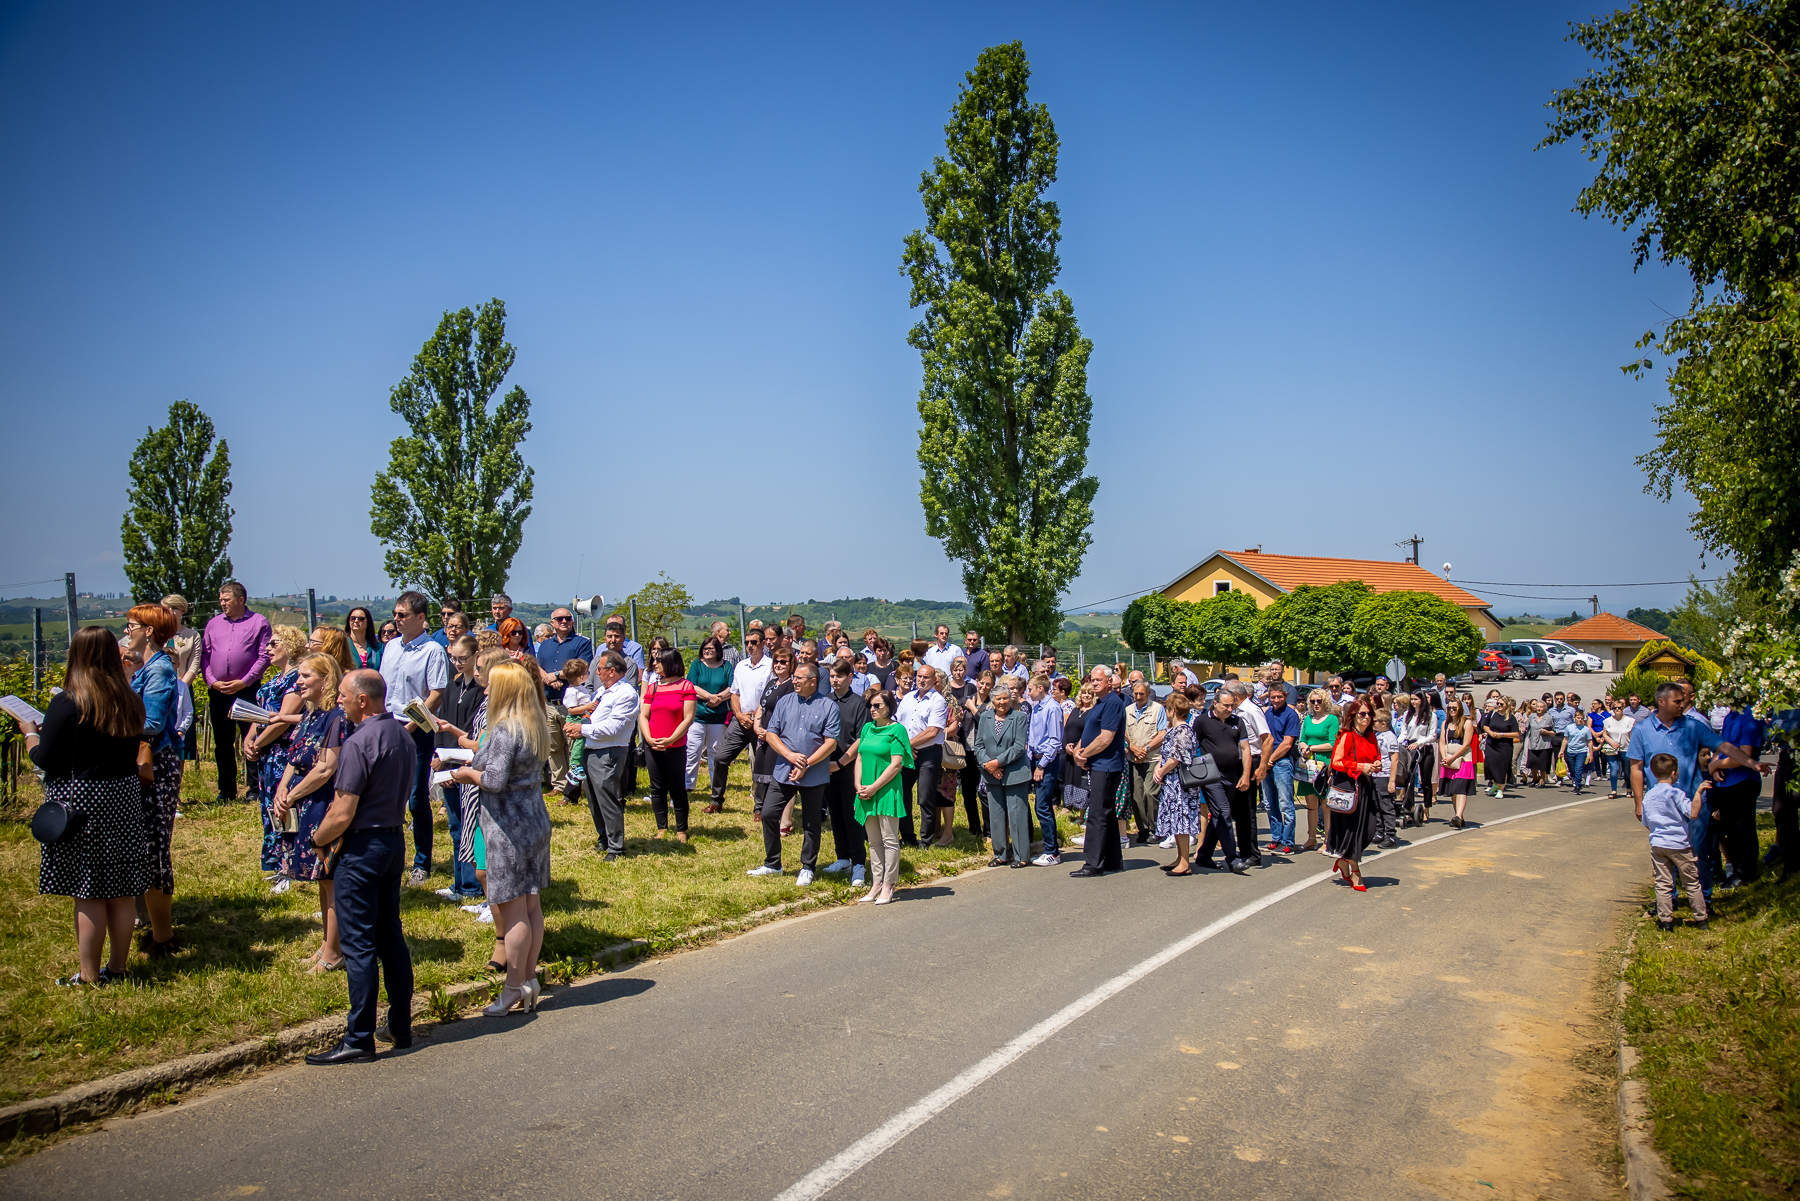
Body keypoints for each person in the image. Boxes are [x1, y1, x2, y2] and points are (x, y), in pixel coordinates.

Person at [22, 626, 152, 986]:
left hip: (84, 800)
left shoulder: (68, 701)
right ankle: (119, 968)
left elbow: (46, 758)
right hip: (123, 797)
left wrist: (31, 733)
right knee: (122, 889)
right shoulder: (130, 699)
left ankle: (89, 975)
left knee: (88, 889)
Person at [304, 670, 417, 1064]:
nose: (339, 701)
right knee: (391, 937)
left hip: (362, 847)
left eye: (342, 695)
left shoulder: (358, 743)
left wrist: (316, 838)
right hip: (392, 842)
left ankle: (358, 1037)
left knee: (359, 945)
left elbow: (342, 811)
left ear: (362, 700)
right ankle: (400, 1026)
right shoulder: (403, 736)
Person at [441, 661, 551, 1015]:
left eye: (490, 686)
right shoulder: (534, 724)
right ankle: (529, 978)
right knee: (532, 904)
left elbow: (493, 781)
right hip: (534, 819)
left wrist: (465, 774)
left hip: (507, 826)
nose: (484, 691)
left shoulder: (504, 729)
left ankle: (512, 987)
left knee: (513, 908)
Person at [1627, 680, 1767, 901]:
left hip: (1694, 803)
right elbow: (1636, 768)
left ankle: (1704, 900)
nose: (1683, 704)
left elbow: (1724, 747)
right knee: (1664, 855)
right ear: (1661, 702)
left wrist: (1751, 763)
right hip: (1662, 807)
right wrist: (1638, 803)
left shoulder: (1693, 726)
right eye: (1677, 701)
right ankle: (1667, 901)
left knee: (1698, 853)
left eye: (1684, 700)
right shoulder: (1642, 730)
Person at [273, 653, 347, 971]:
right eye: (299, 676)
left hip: (323, 801)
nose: (298, 682)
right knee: (320, 879)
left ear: (325, 679)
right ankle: (325, 945)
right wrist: (282, 788)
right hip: (304, 800)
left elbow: (326, 768)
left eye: (306, 676)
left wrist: (291, 795)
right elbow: (295, 756)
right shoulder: (310, 713)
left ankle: (335, 953)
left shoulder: (336, 717)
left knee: (330, 878)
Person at [376, 592, 450, 887]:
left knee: (417, 797)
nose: (397, 619)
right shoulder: (391, 646)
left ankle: (422, 862)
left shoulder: (432, 650)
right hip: (387, 723)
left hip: (416, 730)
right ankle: (389, 857)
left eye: (403, 614)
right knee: (384, 794)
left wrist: (409, 727)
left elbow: (436, 695)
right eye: (395, 613)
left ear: (421, 618)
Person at [123, 603, 183, 955]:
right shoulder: (147, 667)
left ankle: (164, 935)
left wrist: (108, 721)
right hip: (150, 763)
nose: (127, 630)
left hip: (155, 765)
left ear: (148, 630)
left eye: (132, 625)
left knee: (154, 845)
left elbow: (152, 724)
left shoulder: (159, 670)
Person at [750, 663, 841, 884]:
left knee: (811, 822)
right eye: (794, 678)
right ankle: (773, 863)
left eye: (800, 678)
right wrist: (791, 756)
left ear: (813, 681)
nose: (795, 681)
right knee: (770, 814)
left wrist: (806, 763)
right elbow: (772, 734)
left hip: (814, 772)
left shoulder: (829, 706)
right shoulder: (784, 702)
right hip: (783, 769)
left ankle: (808, 867)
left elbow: (830, 743)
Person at [200, 580, 271, 803]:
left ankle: (253, 789)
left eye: (226, 599)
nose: (222, 603)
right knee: (222, 742)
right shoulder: (213, 624)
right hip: (219, 692)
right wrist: (212, 682)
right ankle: (227, 790)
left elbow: (264, 656)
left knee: (251, 739)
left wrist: (245, 681)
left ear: (241, 600)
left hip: (247, 691)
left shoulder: (259, 622)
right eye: (221, 599)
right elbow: (204, 655)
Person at [245, 625, 308, 877]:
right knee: (268, 805)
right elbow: (259, 713)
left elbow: (282, 719)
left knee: (283, 805)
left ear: (290, 645)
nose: (268, 648)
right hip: (267, 751)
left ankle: (288, 863)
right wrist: (250, 738)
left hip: (283, 750)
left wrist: (258, 743)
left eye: (274, 643)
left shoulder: (296, 679)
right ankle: (274, 860)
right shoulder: (274, 680)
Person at [567, 650, 642, 861]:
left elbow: (613, 727)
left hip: (609, 751)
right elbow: (592, 718)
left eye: (599, 669)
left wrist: (582, 731)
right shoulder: (602, 692)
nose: (596, 673)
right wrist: (577, 727)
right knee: (593, 797)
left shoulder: (626, 694)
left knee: (608, 799)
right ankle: (604, 839)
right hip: (591, 749)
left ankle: (616, 847)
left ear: (612, 671)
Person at [431, 636, 487, 900]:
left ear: (477, 656)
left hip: (467, 761)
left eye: (463, 658)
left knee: (470, 826)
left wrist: (455, 757)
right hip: (448, 760)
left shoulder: (480, 690)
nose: (457, 663)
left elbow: (473, 734)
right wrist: (439, 755)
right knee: (455, 826)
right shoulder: (452, 685)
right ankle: (459, 882)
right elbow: (443, 724)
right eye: (453, 658)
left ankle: (473, 885)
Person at [1639, 751, 1711, 931]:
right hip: (1679, 844)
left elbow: (1646, 822)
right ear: (1674, 773)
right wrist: (1699, 792)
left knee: (1663, 883)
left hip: (1658, 844)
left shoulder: (1649, 796)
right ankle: (1701, 919)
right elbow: (1692, 813)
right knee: (1691, 882)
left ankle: (1666, 921)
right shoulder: (1675, 793)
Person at [854, 689, 912, 904]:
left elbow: (896, 764)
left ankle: (889, 884)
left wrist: (874, 787)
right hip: (866, 791)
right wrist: (858, 785)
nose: (873, 709)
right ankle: (876, 882)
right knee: (873, 841)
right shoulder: (867, 728)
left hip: (886, 790)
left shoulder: (897, 730)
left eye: (878, 705)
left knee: (889, 840)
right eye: (871, 705)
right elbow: (859, 757)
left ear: (889, 707)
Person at [707, 626, 774, 812]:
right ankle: (716, 800)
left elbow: (771, 695)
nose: (749, 646)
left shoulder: (770, 665)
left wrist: (755, 716)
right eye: (747, 643)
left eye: (753, 642)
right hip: (740, 720)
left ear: (763, 643)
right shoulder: (741, 666)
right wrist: (739, 714)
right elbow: (734, 693)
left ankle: (760, 807)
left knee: (760, 765)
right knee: (721, 758)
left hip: (761, 721)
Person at [1070, 666, 1128, 877]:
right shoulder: (1099, 703)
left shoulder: (1113, 702)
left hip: (1107, 765)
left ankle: (1093, 863)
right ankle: (1112, 860)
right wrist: (1077, 749)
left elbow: (1106, 738)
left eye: (1098, 680)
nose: (1094, 683)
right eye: (1092, 680)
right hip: (1097, 764)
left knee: (1096, 813)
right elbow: (1089, 732)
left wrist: (1084, 755)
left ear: (1110, 681)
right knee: (1107, 813)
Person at [528, 607, 592, 795]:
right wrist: (547, 678)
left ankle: (576, 787)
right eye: (559, 619)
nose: (564, 621)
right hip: (550, 703)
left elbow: (583, 668)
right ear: (552, 623)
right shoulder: (546, 645)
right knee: (554, 747)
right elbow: (537, 666)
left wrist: (556, 675)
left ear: (572, 622)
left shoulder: (582, 643)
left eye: (567, 618)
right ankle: (559, 785)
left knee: (574, 747)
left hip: (573, 705)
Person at [1190, 686, 1252, 874]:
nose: (1229, 709)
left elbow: (1246, 749)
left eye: (1232, 706)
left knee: (1220, 814)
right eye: (1225, 705)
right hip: (1210, 774)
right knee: (1223, 812)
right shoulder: (1202, 721)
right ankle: (1232, 858)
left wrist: (1246, 775)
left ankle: (1204, 854)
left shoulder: (1237, 722)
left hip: (1231, 773)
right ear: (1215, 703)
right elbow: (1192, 746)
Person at [640, 648, 698, 842]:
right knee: (657, 788)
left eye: (658, 660)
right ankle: (661, 827)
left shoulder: (686, 686)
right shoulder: (653, 687)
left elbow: (688, 718)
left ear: (670, 662)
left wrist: (670, 740)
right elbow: (644, 715)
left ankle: (681, 829)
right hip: (653, 745)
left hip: (675, 746)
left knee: (677, 788)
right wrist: (648, 738)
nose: (654, 664)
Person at [971, 681, 1032, 866]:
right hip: (991, 773)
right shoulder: (985, 717)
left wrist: (997, 763)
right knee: (996, 816)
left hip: (1015, 773)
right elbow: (979, 745)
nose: (1002, 702)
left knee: (1017, 815)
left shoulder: (1019, 718)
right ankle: (1000, 854)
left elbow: (1019, 747)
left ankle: (1021, 856)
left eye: (1005, 698)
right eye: (999, 699)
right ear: (993, 700)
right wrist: (989, 766)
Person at [822, 658, 871, 884]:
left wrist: (840, 763)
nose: (835, 680)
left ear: (850, 678)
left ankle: (859, 862)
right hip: (827, 767)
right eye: (832, 676)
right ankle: (843, 857)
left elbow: (861, 739)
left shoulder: (859, 703)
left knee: (853, 816)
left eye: (839, 676)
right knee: (836, 814)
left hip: (850, 767)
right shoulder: (826, 701)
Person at [1325, 698, 1382, 890]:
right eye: (1362, 714)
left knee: (1369, 828)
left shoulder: (1371, 736)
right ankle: (1356, 871)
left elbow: (1376, 756)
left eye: (1369, 714)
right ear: (1353, 716)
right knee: (1352, 830)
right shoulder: (1347, 736)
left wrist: (1375, 764)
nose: (1366, 718)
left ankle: (1344, 861)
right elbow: (1337, 762)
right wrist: (1360, 766)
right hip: (1348, 786)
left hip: (1366, 785)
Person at [897, 665, 951, 848]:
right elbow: (898, 724)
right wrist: (904, 746)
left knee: (925, 796)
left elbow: (932, 731)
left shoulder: (938, 701)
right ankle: (907, 837)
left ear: (934, 680)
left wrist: (907, 744)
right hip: (907, 753)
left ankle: (925, 840)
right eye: (919, 676)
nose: (921, 680)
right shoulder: (907, 699)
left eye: (926, 677)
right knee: (902, 794)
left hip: (928, 753)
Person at [1713, 706, 1767, 888]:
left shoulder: (1751, 717)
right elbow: (1720, 746)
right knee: (1730, 830)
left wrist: (1717, 765)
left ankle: (1745, 873)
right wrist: (1715, 765)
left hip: (1743, 781)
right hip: (1725, 781)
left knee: (1743, 830)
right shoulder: (1730, 715)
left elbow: (1745, 754)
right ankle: (1735, 870)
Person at [1151, 691, 1204, 875]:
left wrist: (1161, 770)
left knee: (1181, 821)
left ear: (1173, 710)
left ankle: (1185, 862)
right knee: (1175, 821)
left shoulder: (1183, 730)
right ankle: (1180, 858)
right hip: (1171, 783)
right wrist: (1159, 767)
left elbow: (1176, 758)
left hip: (1180, 784)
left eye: (1168, 708)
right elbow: (1166, 755)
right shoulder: (1173, 730)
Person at [162, 594, 202, 786]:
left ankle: (176, 788)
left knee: (180, 741)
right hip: (160, 692)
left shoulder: (192, 635)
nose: (169, 613)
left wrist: (181, 688)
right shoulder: (156, 635)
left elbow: (194, 665)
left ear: (182, 611)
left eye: (173, 609)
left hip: (182, 690)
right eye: (165, 609)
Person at [1123, 678, 1168, 847]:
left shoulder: (1158, 709)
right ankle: (1142, 829)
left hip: (1152, 758)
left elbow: (1162, 733)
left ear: (1148, 694)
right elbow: (1125, 732)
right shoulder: (1128, 710)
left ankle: (1156, 828)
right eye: (1136, 693)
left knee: (1150, 793)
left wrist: (1146, 748)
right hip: (1134, 758)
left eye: (1142, 693)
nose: (1138, 696)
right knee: (1136, 796)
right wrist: (1134, 748)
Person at [1026, 674, 1065, 866]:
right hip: (1036, 759)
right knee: (1041, 805)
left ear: (1040, 688)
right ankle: (1049, 849)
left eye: (1031, 688)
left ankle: (1052, 851)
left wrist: (1042, 765)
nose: (1028, 692)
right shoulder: (1037, 707)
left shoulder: (1052, 708)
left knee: (1042, 805)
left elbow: (1054, 740)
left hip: (1047, 762)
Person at [1296, 690, 1339, 852]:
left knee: (1325, 804)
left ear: (1325, 701)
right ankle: (1311, 838)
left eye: (1319, 700)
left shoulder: (1332, 719)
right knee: (1311, 804)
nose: (1316, 704)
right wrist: (1304, 748)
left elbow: (1333, 743)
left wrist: (1311, 747)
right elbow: (1302, 740)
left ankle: (1328, 840)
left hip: (1326, 765)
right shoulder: (1307, 719)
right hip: (1309, 765)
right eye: (1313, 701)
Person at [1261, 682, 1300, 853]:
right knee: (1270, 803)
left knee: (1285, 803)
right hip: (1267, 762)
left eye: (1279, 697)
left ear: (1285, 696)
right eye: (1272, 697)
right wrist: (1266, 761)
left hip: (1282, 762)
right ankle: (1276, 837)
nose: (1276, 700)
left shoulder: (1291, 715)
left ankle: (1288, 840)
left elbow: (1287, 743)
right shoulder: (1267, 713)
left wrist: (1270, 760)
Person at [1437, 695, 1477, 827]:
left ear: (1460, 709)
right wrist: (1445, 758)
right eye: (1450, 708)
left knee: (1460, 788)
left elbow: (1466, 744)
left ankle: (1458, 815)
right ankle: (1458, 816)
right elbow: (1442, 742)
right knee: (1453, 790)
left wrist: (1452, 758)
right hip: (1448, 759)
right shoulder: (1445, 724)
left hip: (1463, 759)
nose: (1452, 710)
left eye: (1455, 708)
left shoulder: (1467, 723)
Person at [1371, 708, 1402, 848]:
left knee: (1386, 806)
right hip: (1375, 774)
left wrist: (1392, 780)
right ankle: (1379, 831)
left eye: (1376, 721)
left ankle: (1390, 835)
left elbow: (1394, 760)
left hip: (1385, 776)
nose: (1373, 723)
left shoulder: (1390, 737)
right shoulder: (1377, 735)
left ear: (1384, 723)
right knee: (1376, 805)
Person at [1484, 697, 1521, 800]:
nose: (1499, 706)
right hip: (1492, 744)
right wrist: (1491, 733)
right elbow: (1484, 725)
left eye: (1501, 704)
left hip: (1504, 746)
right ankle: (1495, 783)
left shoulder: (1511, 717)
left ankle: (1500, 789)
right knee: (1489, 765)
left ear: (1507, 706)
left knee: (1501, 768)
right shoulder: (1492, 714)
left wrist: (1502, 734)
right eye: (1498, 703)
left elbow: (1516, 733)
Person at [1600, 698, 1636, 799]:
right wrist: (1612, 743)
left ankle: (1629, 789)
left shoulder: (1630, 721)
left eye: (1619, 708)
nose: (1617, 709)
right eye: (1615, 708)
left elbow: (1632, 735)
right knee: (1614, 769)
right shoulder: (1607, 721)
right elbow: (1605, 734)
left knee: (1627, 770)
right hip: (1612, 749)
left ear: (1623, 708)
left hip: (1626, 748)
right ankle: (1614, 790)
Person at [1562, 705, 1593, 797]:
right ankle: (1575, 779)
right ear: (1574, 718)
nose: (1580, 720)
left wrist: (1590, 754)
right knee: (1572, 769)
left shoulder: (1586, 729)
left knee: (1579, 768)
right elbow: (1565, 739)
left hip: (1581, 751)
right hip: (1571, 751)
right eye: (1578, 718)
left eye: (1582, 718)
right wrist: (1561, 751)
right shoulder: (1569, 728)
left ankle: (1578, 785)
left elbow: (1589, 742)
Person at [1523, 699, 1555, 788]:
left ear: (1544, 708)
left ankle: (1542, 781)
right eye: (1537, 707)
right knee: (1532, 762)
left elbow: (1553, 731)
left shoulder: (1549, 718)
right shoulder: (1531, 717)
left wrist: (1547, 732)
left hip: (1544, 744)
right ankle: (1535, 778)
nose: (1539, 708)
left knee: (1542, 764)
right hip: (1533, 743)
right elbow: (1527, 728)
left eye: (1541, 707)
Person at [344, 606, 382, 671]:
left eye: (361, 619)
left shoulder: (379, 647)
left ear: (368, 622)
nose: (356, 621)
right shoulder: (342, 645)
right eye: (352, 618)